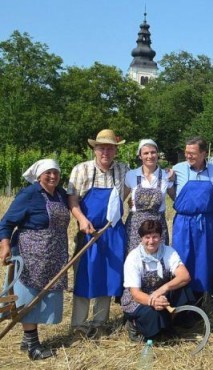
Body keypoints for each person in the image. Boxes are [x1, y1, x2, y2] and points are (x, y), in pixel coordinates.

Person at [0, 160, 69, 360]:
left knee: (45, 296)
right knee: (28, 296)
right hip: (29, 253)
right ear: (39, 175)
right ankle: (32, 345)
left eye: (56, 172)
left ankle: (26, 338)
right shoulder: (28, 194)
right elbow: (6, 223)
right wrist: (4, 246)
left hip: (54, 253)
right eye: (48, 173)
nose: (53, 176)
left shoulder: (60, 194)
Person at [67, 129, 128, 338]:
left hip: (113, 233)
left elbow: (128, 192)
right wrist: (82, 220)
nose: (106, 152)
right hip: (89, 232)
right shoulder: (81, 170)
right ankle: (79, 325)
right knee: (85, 277)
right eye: (102, 147)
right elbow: (72, 200)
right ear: (94, 149)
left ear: (115, 151)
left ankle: (100, 322)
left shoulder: (123, 170)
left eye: (110, 148)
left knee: (108, 277)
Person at [121, 220, 192, 341]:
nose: (151, 241)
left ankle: (170, 323)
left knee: (185, 290)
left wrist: (162, 290)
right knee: (153, 316)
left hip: (161, 294)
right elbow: (135, 293)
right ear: (141, 239)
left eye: (155, 237)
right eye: (147, 237)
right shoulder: (133, 257)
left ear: (160, 237)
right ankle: (134, 326)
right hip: (139, 300)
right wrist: (153, 301)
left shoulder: (168, 252)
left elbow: (185, 276)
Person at [168, 137, 213, 296]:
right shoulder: (177, 169)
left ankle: (200, 299)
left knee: (203, 259)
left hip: (205, 222)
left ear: (204, 153)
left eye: (192, 153)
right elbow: (170, 191)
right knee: (181, 258)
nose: (188, 156)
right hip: (183, 222)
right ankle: (180, 298)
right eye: (186, 153)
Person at [124, 139, 174, 253]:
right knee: (135, 259)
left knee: (158, 259)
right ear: (140, 156)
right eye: (145, 153)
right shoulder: (131, 175)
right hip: (135, 227)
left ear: (157, 154)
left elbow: (176, 199)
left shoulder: (166, 175)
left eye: (153, 152)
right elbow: (121, 198)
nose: (150, 156)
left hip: (158, 226)